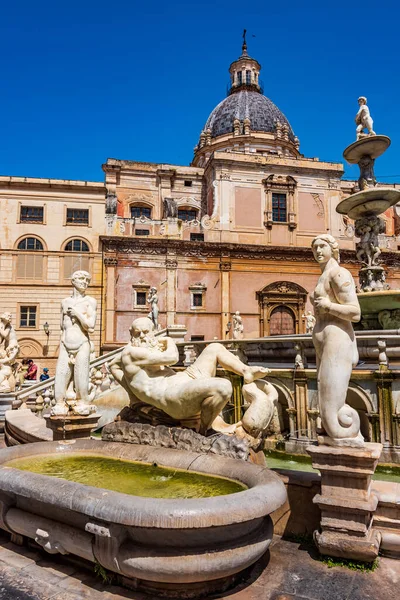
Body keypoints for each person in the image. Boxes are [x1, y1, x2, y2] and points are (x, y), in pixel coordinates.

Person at [109, 317, 271, 435]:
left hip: (185, 379)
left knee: (214, 347)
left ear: (153, 332)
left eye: (146, 332)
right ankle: (203, 431)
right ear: (131, 334)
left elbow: (111, 365)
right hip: (172, 397)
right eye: (138, 334)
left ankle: (245, 371)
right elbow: (172, 358)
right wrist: (168, 340)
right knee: (223, 387)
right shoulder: (130, 352)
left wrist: (133, 394)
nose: (143, 337)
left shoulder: (144, 350)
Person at [311, 234, 363, 446]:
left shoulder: (339, 274)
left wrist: (329, 307)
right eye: (315, 248)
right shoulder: (323, 276)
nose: (318, 251)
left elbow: (356, 313)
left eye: (323, 246)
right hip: (324, 343)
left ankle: (348, 438)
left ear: (333, 248)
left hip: (337, 341)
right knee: (326, 406)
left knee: (333, 414)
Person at [53, 270, 97, 416]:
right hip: (65, 344)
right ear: (73, 281)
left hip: (82, 343)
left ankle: (83, 403)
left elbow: (91, 326)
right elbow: (61, 326)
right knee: (60, 379)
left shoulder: (90, 301)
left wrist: (77, 314)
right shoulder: (64, 302)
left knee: (81, 379)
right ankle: (59, 404)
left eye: (87, 280)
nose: (85, 282)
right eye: (82, 279)